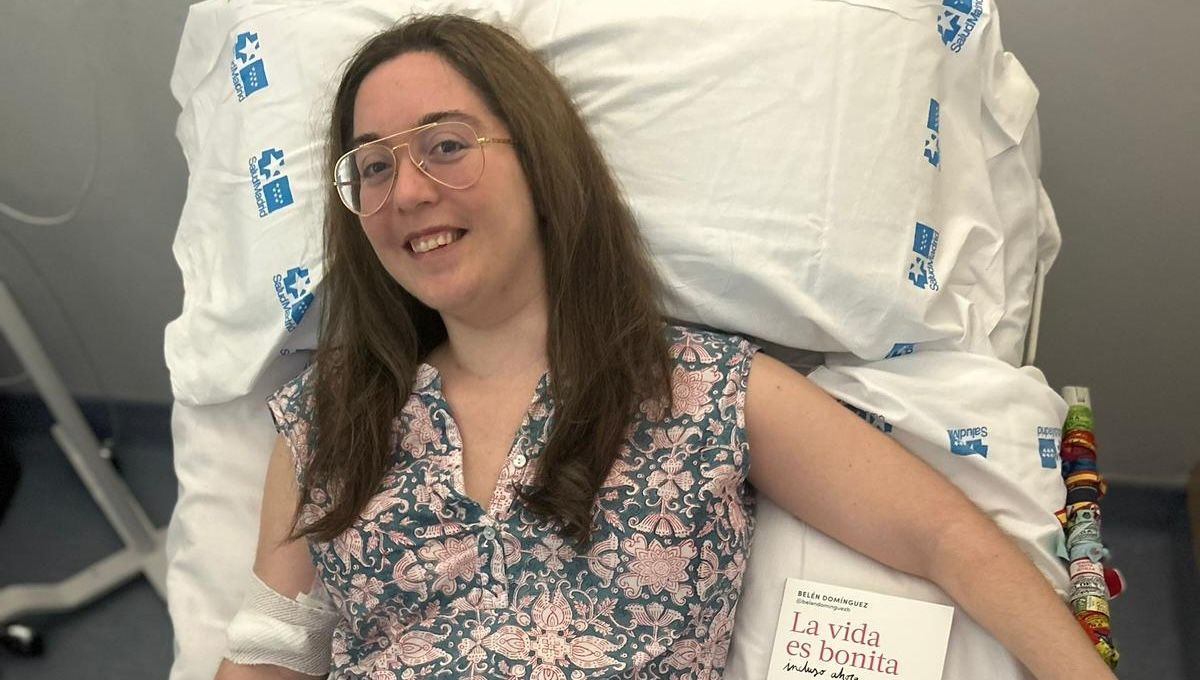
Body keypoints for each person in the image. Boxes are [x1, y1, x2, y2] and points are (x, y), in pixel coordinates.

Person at [214, 14, 1116, 680]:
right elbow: (271, 653)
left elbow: (948, 538)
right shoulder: (332, 416)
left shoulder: (703, 389)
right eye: (373, 166)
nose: (406, 192)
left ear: (540, 162)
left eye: (445, 146)